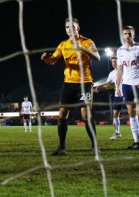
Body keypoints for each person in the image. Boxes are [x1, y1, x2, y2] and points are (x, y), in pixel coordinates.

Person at [41, 17, 101, 156]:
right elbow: (53, 61)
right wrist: (46, 59)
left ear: (78, 28)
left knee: (86, 115)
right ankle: (62, 148)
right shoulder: (63, 44)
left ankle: (95, 147)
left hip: (84, 83)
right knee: (62, 113)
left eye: (72, 27)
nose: (69, 29)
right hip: (68, 83)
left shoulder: (87, 42)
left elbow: (97, 57)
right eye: (67, 27)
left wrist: (81, 48)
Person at [94, 56, 124, 140]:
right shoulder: (112, 73)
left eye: (115, 61)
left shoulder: (125, 70)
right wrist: (99, 86)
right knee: (115, 114)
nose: (114, 63)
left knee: (132, 112)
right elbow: (107, 83)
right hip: (117, 95)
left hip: (127, 94)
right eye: (112, 62)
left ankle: (138, 133)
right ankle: (117, 133)